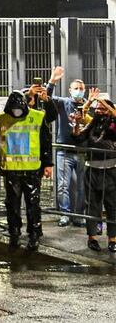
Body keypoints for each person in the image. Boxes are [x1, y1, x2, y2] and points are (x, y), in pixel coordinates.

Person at [0, 90, 53, 250]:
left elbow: (45, 142)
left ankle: (34, 235)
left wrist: (48, 164)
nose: (16, 112)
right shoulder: (2, 119)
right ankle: (14, 233)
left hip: (32, 170)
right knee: (12, 204)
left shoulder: (37, 117)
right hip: (11, 170)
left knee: (33, 205)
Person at [46, 66, 94, 227]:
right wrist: (52, 80)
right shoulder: (63, 103)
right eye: (76, 88)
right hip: (64, 151)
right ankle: (64, 214)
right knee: (62, 186)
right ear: (69, 90)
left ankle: (79, 216)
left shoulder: (89, 107)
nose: (79, 91)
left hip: (82, 152)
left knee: (82, 187)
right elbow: (47, 97)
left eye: (81, 89)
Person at [71, 96, 116, 252]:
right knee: (93, 206)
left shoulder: (112, 125)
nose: (99, 111)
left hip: (111, 172)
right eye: (97, 108)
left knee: (112, 206)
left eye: (102, 109)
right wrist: (76, 123)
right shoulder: (92, 123)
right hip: (92, 171)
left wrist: (104, 102)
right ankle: (94, 237)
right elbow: (78, 137)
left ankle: (113, 239)